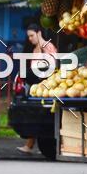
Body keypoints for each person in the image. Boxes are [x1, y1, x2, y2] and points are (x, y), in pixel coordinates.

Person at [18, 23, 57, 154]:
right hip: (33, 86)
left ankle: (31, 145)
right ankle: (30, 144)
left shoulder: (48, 46)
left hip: (44, 86)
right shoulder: (33, 48)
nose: (30, 38)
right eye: (28, 36)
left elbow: (52, 65)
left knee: (40, 114)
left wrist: (42, 45)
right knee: (34, 114)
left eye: (32, 35)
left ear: (39, 33)